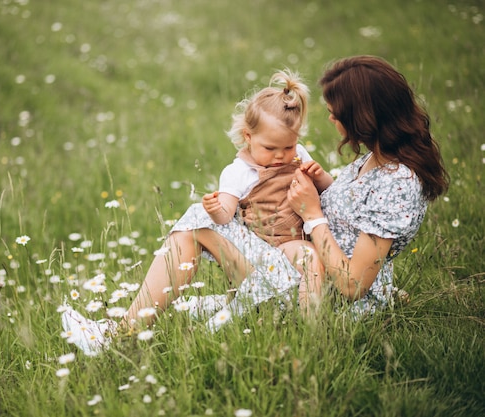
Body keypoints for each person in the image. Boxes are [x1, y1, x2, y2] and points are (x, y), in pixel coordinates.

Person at [61, 70, 333, 356]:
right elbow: (226, 215)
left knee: (308, 254)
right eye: (270, 148)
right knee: (199, 218)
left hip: (292, 244)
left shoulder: (300, 154)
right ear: (248, 137)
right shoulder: (238, 172)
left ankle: (311, 333)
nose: (280, 156)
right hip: (260, 252)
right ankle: (122, 333)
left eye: (288, 147)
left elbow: (327, 188)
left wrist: (320, 175)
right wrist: (216, 210)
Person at [287, 55, 449, 316]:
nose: (330, 119)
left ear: (361, 118)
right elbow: (352, 213)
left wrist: (311, 214)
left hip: (335, 306)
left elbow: (353, 285)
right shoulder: (377, 156)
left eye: (334, 113)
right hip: (311, 274)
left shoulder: (397, 183)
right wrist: (321, 183)